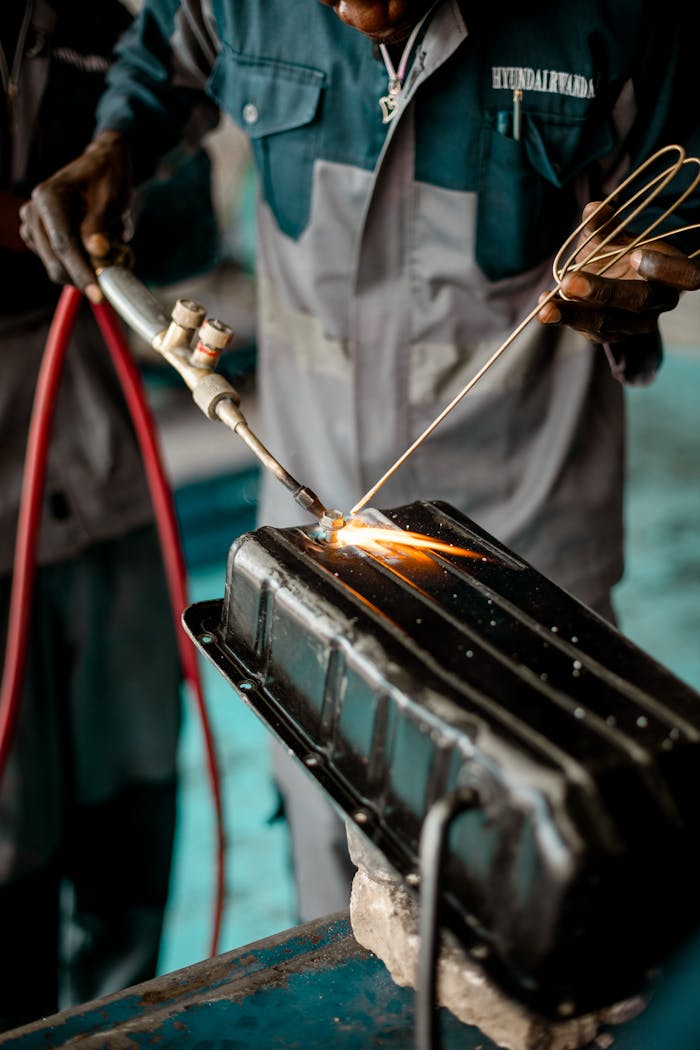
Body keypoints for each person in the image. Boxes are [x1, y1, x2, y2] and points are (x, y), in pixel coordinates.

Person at [19, 0, 700, 926]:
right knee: (331, 873)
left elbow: (684, 178)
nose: (356, 7)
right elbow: (157, 58)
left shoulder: (610, 18)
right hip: (313, 523)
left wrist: (656, 260)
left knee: (530, 881)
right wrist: (116, 147)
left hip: (527, 539)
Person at [0, 0, 217, 1030]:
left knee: (133, 818)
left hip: (102, 471)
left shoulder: (99, 24)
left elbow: (194, 218)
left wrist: (117, 200)